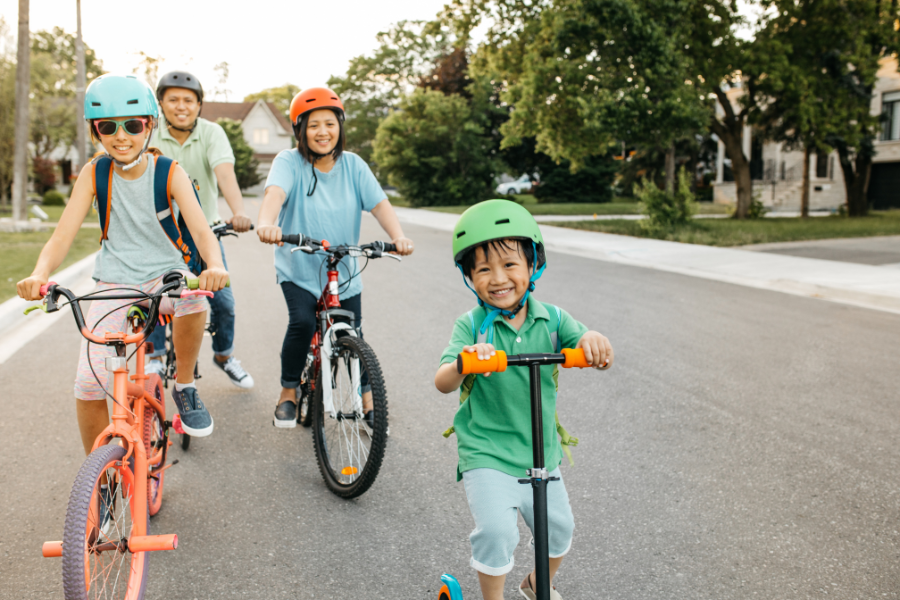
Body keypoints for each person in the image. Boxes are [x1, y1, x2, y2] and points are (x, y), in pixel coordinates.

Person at [16, 74, 228, 448]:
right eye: (107, 127)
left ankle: (185, 386)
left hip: (166, 274)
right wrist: (39, 273)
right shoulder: (94, 173)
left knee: (193, 297)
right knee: (88, 384)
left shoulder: (170, 172)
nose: (121, 135)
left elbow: (201, 231)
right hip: (114, 283)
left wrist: (214, 266)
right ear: (95, 131)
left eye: (132, 125)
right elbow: (62, 235)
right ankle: (101, 478)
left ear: (149, 125)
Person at [433, 200, 614, 600]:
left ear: (533, 266)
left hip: (541, 452)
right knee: (497, 533)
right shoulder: (471, 327)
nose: (498, 278)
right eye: (483, 269)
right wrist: (467, 362)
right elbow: (443, 381)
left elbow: (582, 341)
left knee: (560, 530)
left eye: (510, 265)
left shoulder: (552, 318)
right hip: (487, 451)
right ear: (469, 276)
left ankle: (537, 584)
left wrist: (591, 340)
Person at [256, 87, 414, 428]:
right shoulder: (288, 162)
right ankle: (288, 393)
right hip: (298, 264)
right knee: (301, 323)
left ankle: (370, 401)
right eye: (313, 125)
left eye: (330, 123)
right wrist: (267, 223)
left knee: (353, 334)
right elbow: (275, 193)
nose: (323, 132)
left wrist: (397, 236)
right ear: (300, 130)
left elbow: (379, 204)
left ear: (340, 127)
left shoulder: (354, 165)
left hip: (343, 269)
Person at [144, 70, 255, 389]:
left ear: (199, 105)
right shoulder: (149, 133)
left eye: (189, 100)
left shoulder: (211, 133)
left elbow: (224, 173)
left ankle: (224, 356)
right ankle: (154, 356)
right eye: (173, 99)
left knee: (223, 301)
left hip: (202, 230)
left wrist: (238, 212)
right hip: (157, 231)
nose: (181, 106)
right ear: (161, 103)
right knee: (154, 296)